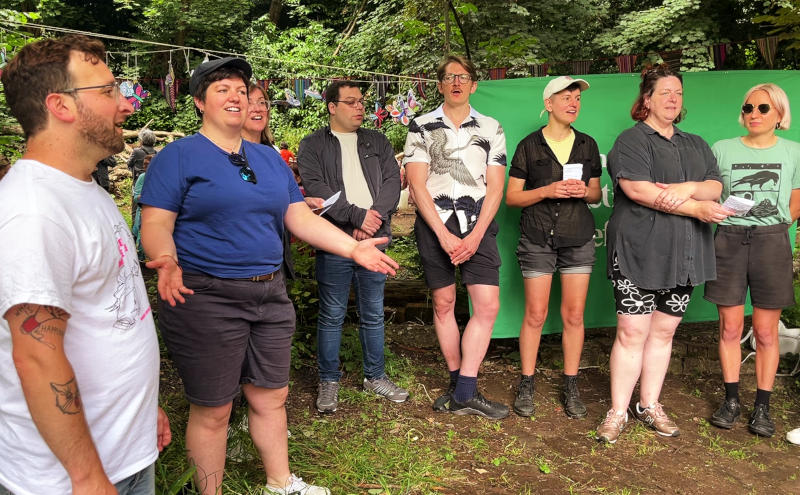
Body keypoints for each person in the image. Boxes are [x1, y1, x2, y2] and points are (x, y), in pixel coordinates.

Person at [140, 57, 397, 495]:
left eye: (241, 90)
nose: (236, 96)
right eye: (222, 90)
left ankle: (280, 484)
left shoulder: (268, 158)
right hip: (206, 294)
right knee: (215, 408)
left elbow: (298, 216)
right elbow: (157, 222)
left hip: (269, 292)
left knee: (270, 396)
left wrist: (353, 247)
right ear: (200, 102)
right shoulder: (178, 156)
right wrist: (166, 259)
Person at [0, 34, 170, 495]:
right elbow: (36, 355)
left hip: (122, 450)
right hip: (70, 478)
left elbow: (110, 315)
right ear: (61, 106)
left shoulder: (86, 191)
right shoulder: (34, 212)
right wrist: (87, 476)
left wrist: (141, 409)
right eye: (109, 90)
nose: (126, 105)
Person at [596, 64, 733, 444]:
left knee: (664, 331)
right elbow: (639, 190)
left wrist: (687, 187)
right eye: (665, 93)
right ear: (647, 100)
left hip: (685, 254)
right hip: (639, 250)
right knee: (632, 330)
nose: (673, 99)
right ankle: (618, 411)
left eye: (678, 93)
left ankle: (649, 404)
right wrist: (695, 206)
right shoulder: (631, 141)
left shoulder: (696, 143)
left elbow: (714, 187)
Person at [403, 54, 508, 419]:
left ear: (474, 84)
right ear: (440, 85)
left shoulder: (492, 127)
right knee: (444, 304)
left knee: (487, 306)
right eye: (449, 77)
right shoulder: (420, 126)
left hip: (478, 223)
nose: (457, 83)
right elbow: (416, 184)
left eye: (463, 77)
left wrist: (476, 235)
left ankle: (465, 391)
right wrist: (443, 236)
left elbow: (495, 188)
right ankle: (457, 384)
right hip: (435, 224)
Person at [297, 80, 407, 414]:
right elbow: (316, 187)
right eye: (351, 102)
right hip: (335, 239)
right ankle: (329, 380)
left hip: (375, 239)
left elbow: (392, 181)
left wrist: (374, 219)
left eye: (361, 101)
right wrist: (356, 217)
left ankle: (375, 376)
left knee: (373, 311)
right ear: (332, 106)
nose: (360, 107)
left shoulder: (378, 140)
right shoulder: (313, 144)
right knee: (332, 313)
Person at [705, 83, 800, 438]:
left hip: (771, 242)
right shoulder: (722, 149)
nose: (754, 115)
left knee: (764, 331)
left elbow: (795, 202)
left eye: (763, 108)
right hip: (728, 241)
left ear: (779, 114)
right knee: (730, 328)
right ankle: (731, 400)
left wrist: (774, 226)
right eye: (748, 108)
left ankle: (763, 406)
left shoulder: (794, 152)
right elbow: (713, 194)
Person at [505, 75, 602, 419]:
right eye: (566, 97)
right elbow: (512, 197)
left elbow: (596, 193)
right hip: (537, 239)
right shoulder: (529, 146)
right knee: (535, 314)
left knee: (574, 315)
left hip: (577, 239)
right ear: (549, 104)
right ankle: (527, 382)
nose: (573, 103)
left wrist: (584, 192)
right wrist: (547, 191)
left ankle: (570, 384)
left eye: (577, 98)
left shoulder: (588, 145)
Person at [242, 82, 323, 280]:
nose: (258, 108)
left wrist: (301, 203)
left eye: (262, 102)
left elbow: (273, 197)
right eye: (249, 102)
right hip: (239, 265)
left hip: (275, 259)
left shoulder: (272, 153)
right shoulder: (225, 152)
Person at [132, 153, 154, 261]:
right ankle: (141, 259)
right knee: (142, 236)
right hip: (143, 211)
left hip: (157, 213)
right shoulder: (142, 177)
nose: (144, 167)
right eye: (144, 164)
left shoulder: (162, 177)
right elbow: (136, 197)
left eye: (147, 164)